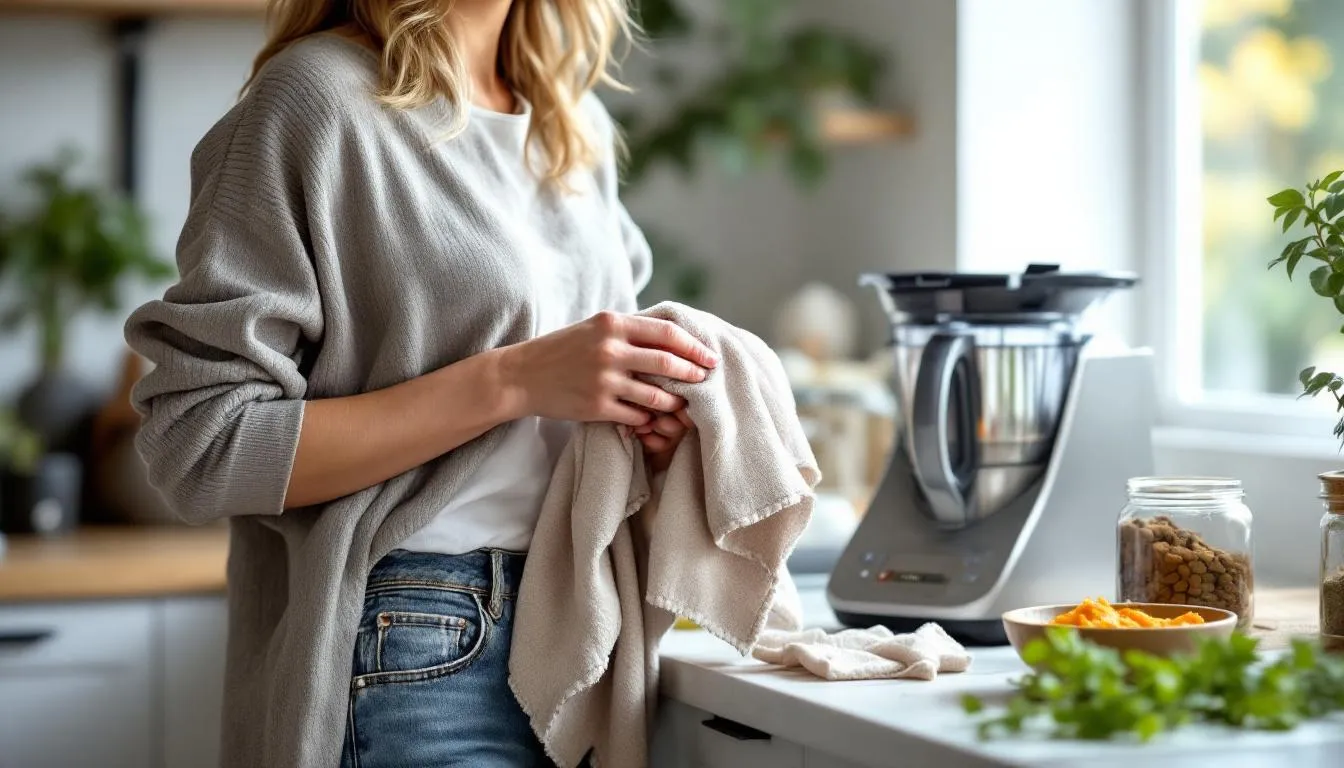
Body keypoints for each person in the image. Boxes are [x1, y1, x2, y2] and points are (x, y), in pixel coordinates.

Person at [123, 1, 717, 766]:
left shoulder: (572, 124)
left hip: (579, 624)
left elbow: (570, 411)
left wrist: (647, 420)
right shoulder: (315, 99)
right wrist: (512, 380)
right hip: (414, 639)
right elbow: (202, 446)